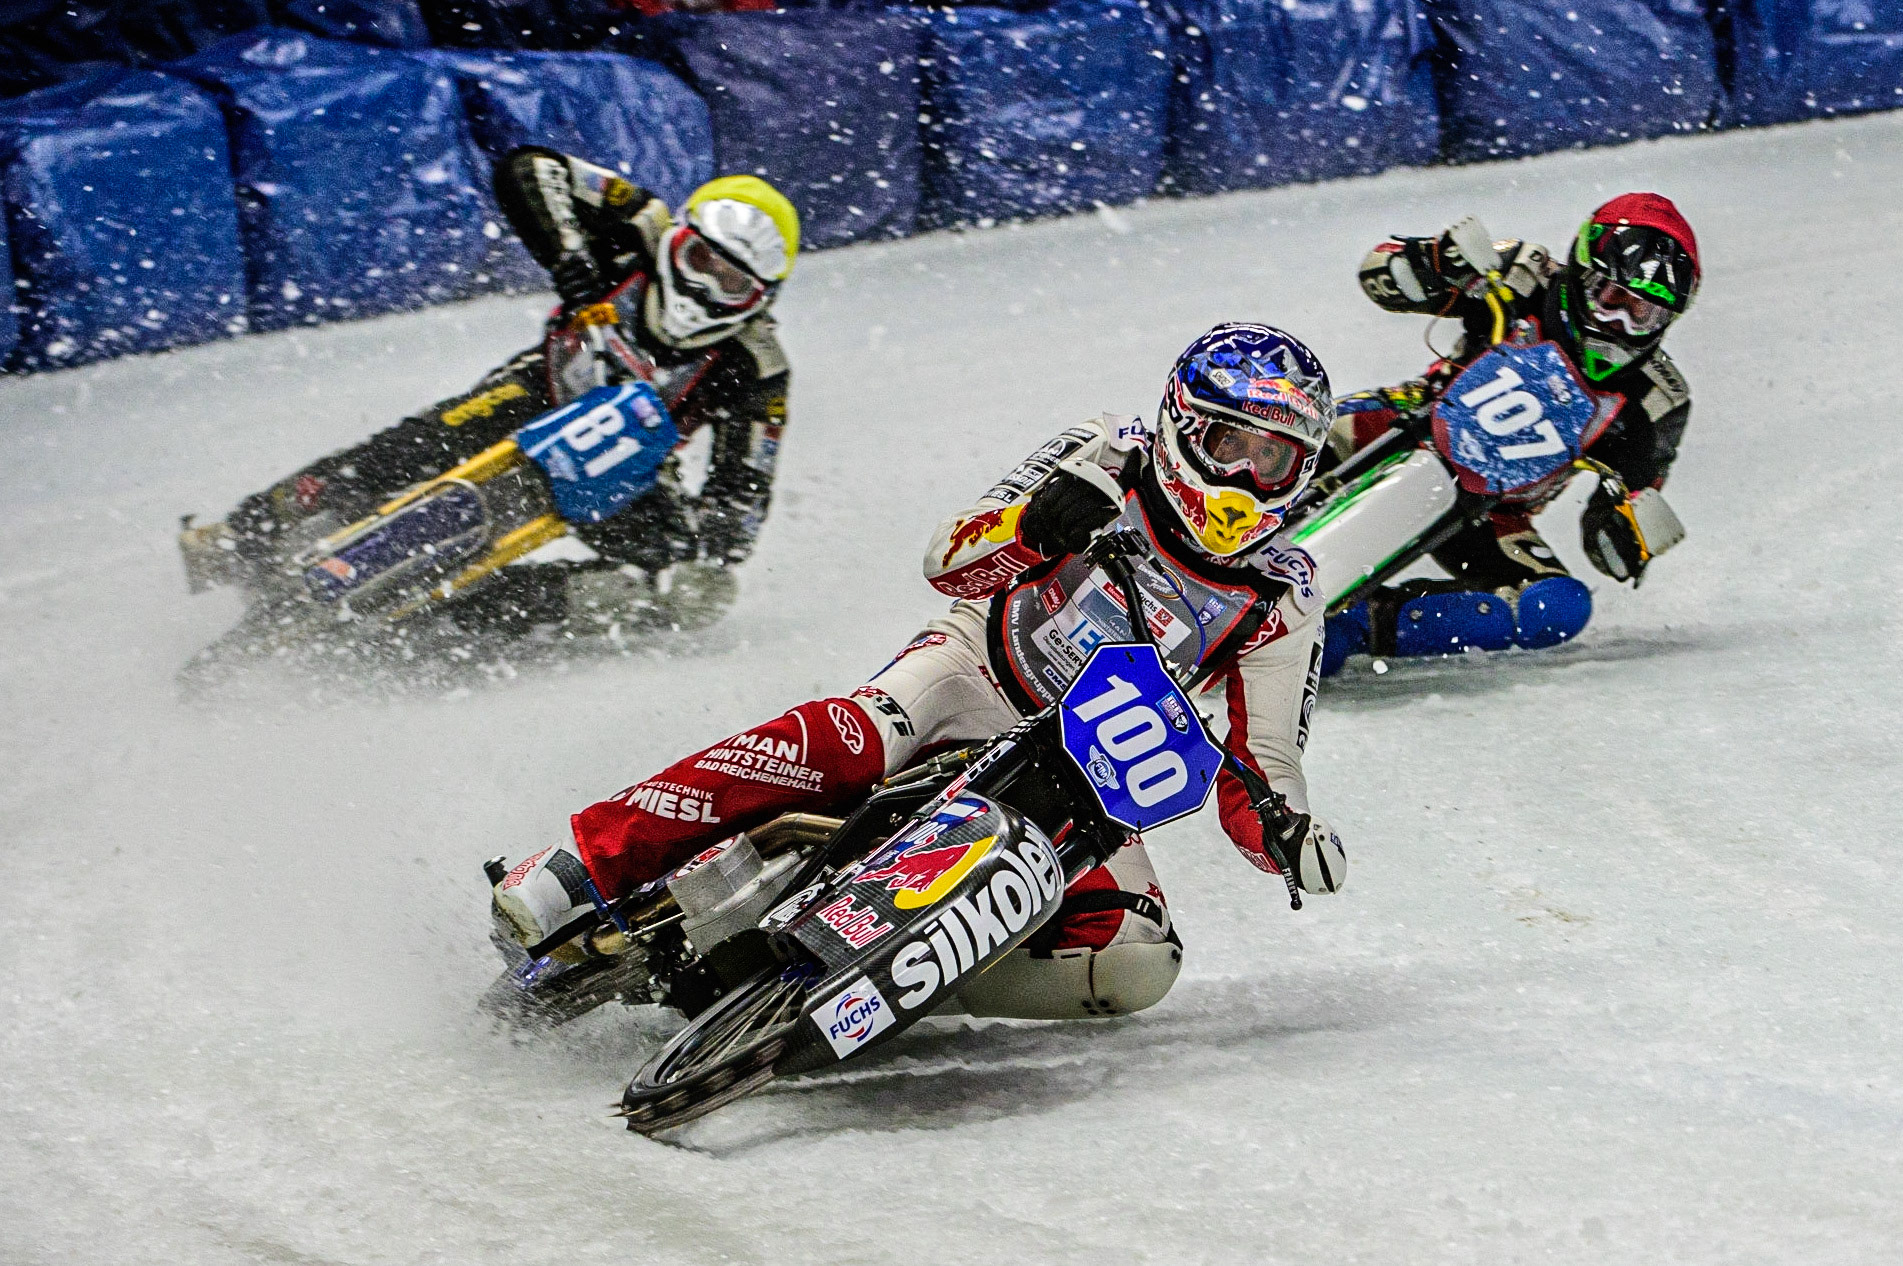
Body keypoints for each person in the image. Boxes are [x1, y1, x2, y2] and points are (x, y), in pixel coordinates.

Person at [492, 323, 1350, 1021]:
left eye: (1271, 458)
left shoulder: (1284, 594)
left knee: (1132, 960)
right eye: (1228, 443)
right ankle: (586, 861)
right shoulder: (1099, 455)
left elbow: (1263, 757)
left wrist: (1287, 838)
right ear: (1179, 426)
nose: (1243, 475)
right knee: (853, 739)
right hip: (974, 670)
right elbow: (948, 559)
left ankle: (884, 986)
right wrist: (1033, 525)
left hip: (1090, 779)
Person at [184, 146, 799, 630]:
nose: (702, 291)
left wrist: (708, 554)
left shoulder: (758, 364)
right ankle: (245, 535)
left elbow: (744, 493)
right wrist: (569, 256)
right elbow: (531, 168)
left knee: (693, 588)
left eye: (730, 286)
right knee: (408, 448)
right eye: (699, 263)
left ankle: (530, 607)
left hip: (628, 471)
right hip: (542, 387)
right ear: (676, 241)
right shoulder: (639, 221)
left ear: (760, 300)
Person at [1320, 192, 1699, 674]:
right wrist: (1436, 261)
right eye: (1613, 298)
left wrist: (1631, 537)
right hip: (1410, 422)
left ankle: (1355, 627)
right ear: (1584, 273)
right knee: (1303, 433)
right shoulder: (1520, 273)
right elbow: (1377, 276)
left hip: (1491, 512)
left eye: (1643, 313)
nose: (1620, 321)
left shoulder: (1659, 401)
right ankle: (1208, 518)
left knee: (1556, 606)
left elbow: (1609, 528)